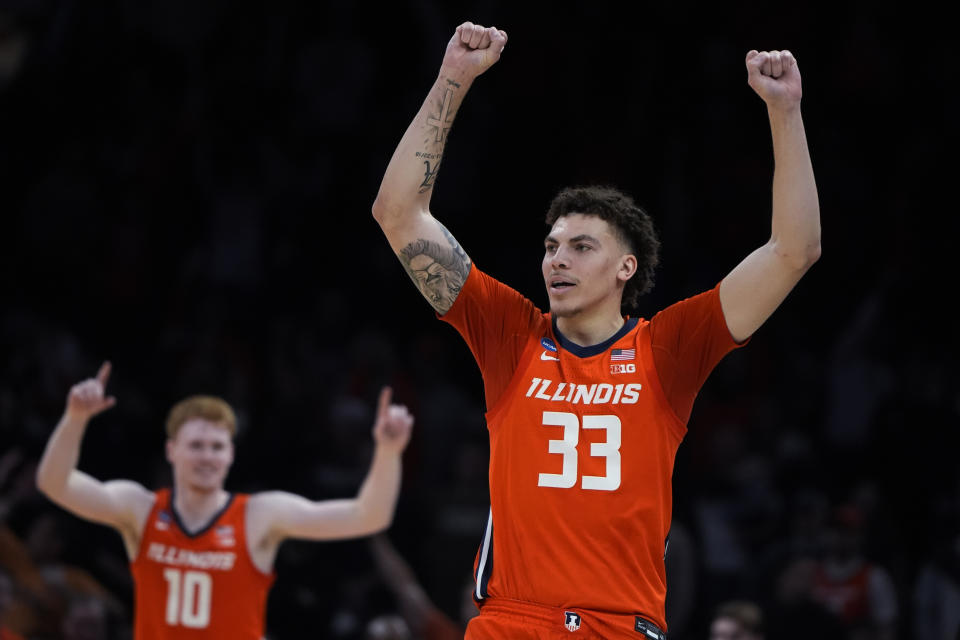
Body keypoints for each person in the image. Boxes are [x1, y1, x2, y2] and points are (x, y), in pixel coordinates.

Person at [372, 20, 820, 640]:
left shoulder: (668, 349)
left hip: (620, 627)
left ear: (625, 268)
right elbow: (398, 215)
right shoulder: (510, 334)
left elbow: (794, 250)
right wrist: (452, 78)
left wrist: (785, 111)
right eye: (552, 245)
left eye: (581, 247)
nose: (557, 259)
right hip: (512, 623)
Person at [36, 362, 414, 639]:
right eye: (196, 446)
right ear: (172, 451)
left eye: (216, 447)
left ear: (231, 455)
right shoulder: (142, 509)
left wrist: (389, 451)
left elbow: (368, 515)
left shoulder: (258, 516)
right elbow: (55, 484)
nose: (206, 456)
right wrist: (74, 418)